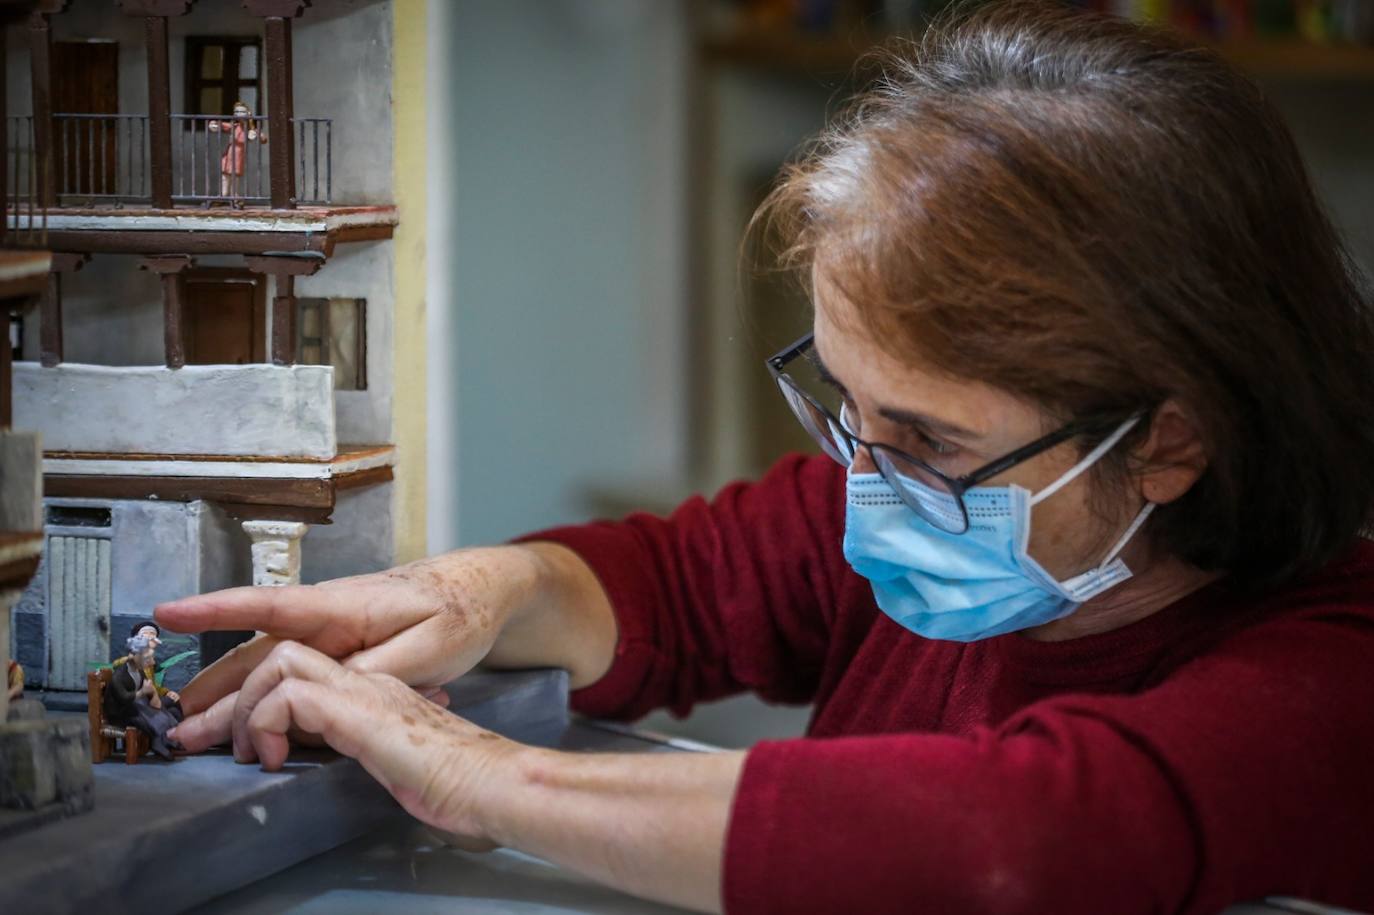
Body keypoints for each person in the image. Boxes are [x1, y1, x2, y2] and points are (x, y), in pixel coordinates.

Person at [154, 4, 1374, 913]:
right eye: (848, 403)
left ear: (1171, 437)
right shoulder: (923, 507)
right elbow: (676, 591)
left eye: (934, 436)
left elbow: (1017, 845)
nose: (869, 475)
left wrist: (475, 773)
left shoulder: (1331, 679)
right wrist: (475, 594)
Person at [105, 623, 184, 760]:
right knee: (154, 714)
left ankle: (165, 740)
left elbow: (148, 687)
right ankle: (158, 741)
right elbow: (124, 698)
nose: (152, 662)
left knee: (161, 712)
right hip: (121, 712)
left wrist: (155, 694)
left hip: (134, 705)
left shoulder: (139, 670)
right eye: (148, 658)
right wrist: (143, 692)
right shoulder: (120, 675)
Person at [206, 101, 267, 208]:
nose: (239, 114)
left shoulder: (249, 129)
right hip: (229, 155)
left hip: (238, 157)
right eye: (237, 111)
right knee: (225, 179)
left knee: (235, 180)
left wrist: (257, 134)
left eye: (241, 111)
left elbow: (263, 139)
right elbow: (222, 125)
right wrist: (214, 123)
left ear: (248, 113)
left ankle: (235, 199)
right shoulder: (235, 126)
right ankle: (223, 197)